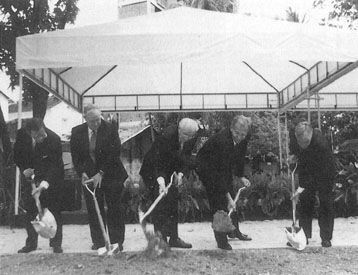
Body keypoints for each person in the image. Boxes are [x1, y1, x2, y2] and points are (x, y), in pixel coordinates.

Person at [70, 104, 128, 251]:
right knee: (94, 208)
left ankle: (117, 242)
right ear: (85, 119)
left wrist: (101, 173)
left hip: (111, 173)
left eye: (98, 119)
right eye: (92, 121)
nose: (96, 123)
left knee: (114, 207)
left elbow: (114, 153)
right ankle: (99, 241)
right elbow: (76, 156)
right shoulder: (77, 132)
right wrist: (81, 172)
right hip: (89, 175)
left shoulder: (110, 128)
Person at [139, 118, 199, 248]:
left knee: (172, 202)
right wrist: (161, 182)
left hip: (171, 169)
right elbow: (158, 163)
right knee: (160, 205)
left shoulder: (191, 138)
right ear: (179, 129)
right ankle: (161, 241)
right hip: (153, 171)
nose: (187, 138)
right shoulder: (166, 138)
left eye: (190, 136)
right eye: (184, 135)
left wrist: (181, 174)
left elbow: (185, 158)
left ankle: (174, 238)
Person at [197, 115, 252, 250]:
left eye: (243, 134)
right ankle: (221, 240)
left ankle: (234, 231)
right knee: (219, 203)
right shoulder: (222, 141)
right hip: (207, 169)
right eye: (237, 134)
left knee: (231, 196)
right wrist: (228, 198)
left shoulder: (244, 137)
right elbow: (219, 174)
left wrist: (241, 176)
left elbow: (239, 157)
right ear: (231, 129)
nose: (240, 137)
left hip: (222, 167)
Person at [14, 118, 64, 253]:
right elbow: (17, 156)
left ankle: (56, 243)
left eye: (42, 133)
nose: (42, 137)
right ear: (30, 133)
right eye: (37, 135)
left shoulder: (54, 139)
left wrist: (43, 185)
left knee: (54, 210)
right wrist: (25, 169)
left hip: (50, 179)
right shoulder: (21, 135)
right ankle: (31, 243)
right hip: (30, 178)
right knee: (31, 211)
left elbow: (55, 166)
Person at [289, 121, 335, 248]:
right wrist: (293, 156)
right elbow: (297, 154)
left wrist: (300, 188)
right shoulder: (296, 137)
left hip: (325, 172)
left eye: (305, 143)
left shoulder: (322, 145)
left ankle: (326, 237)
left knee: (326, 203)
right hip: (307, 169)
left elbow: (316, 172)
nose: (302, 145)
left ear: (310, 136)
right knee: (305, 200)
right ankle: (303, 235)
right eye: (300, 143)